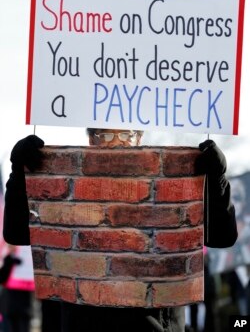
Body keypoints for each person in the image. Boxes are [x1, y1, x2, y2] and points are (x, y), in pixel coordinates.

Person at [3, 130, 238, 332]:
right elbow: (16, 234)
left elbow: (222, 237)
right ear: (92, 140)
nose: (117, 143)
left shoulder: (172, 190)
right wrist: (18, 175)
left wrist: (217, 181)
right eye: (106, 135)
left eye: (126, 135)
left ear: (139, 138)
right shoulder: (68, 194)